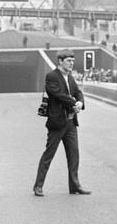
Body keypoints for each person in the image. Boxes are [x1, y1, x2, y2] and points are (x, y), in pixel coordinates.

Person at [33, 48, 90, 197]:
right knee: (48, 155)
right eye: (68, 61)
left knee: (74, 156)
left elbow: (78, 92)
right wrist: (74, 103)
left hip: (71, 123)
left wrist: (80, 102)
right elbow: (58, 94)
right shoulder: (52, 76)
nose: (71, 63)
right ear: (60, 61)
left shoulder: (70, 77)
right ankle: (38, 186)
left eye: (72, 60)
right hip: (57, 123)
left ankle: (75, 185)